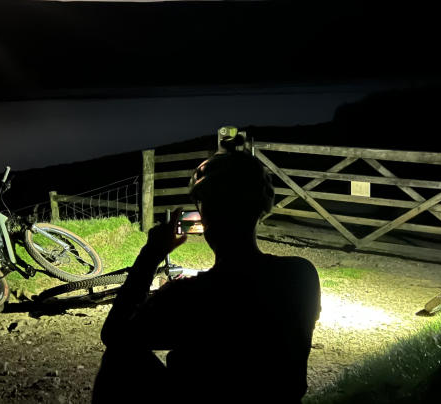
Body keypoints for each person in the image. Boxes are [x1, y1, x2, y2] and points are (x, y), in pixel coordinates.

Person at [93, 141, 321, 404]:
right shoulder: (301, 276)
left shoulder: (189, 295)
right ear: (261, 210)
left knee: (118, 358)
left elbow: (113, 334)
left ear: (205, 215)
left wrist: (151, 254)